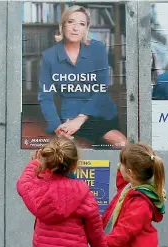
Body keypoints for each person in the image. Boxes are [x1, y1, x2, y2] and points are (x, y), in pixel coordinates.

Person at [37, 5, 127, 149]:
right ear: (62, 25)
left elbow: (101, 89)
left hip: (100, 113)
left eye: (81, 24)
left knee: (125, 146)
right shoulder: (49, 56)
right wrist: (57, 127)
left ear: (86, 28)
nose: (75, 28)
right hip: (70, 118)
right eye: (71, 22)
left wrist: (80, 119)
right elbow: (45, 97)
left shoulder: (97, 49)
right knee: (78, 157)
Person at [16, 138, 109, 247]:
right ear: (75, 164)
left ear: (47, 161)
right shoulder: (83, 192)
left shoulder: (42, 187)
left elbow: (23, 184)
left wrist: (34, 164)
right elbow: (95, 231)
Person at [90, 143, 166, 247]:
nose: (119, 167)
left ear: (130, 173)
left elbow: (122, 233)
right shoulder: (130, 188)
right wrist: (124, 163)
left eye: (122, 165)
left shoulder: (140, 203)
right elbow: (122, 181)